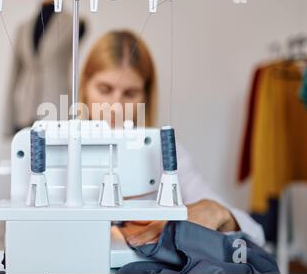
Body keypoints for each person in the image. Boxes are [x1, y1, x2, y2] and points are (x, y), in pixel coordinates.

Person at [78, 30, 265, 246]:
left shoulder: (166, 153)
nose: (115, 106)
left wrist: (218, 213)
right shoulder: (54, 151)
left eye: (130, 94)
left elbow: (254, 232)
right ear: (85, 86)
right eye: (105, 89)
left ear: (145, 96)